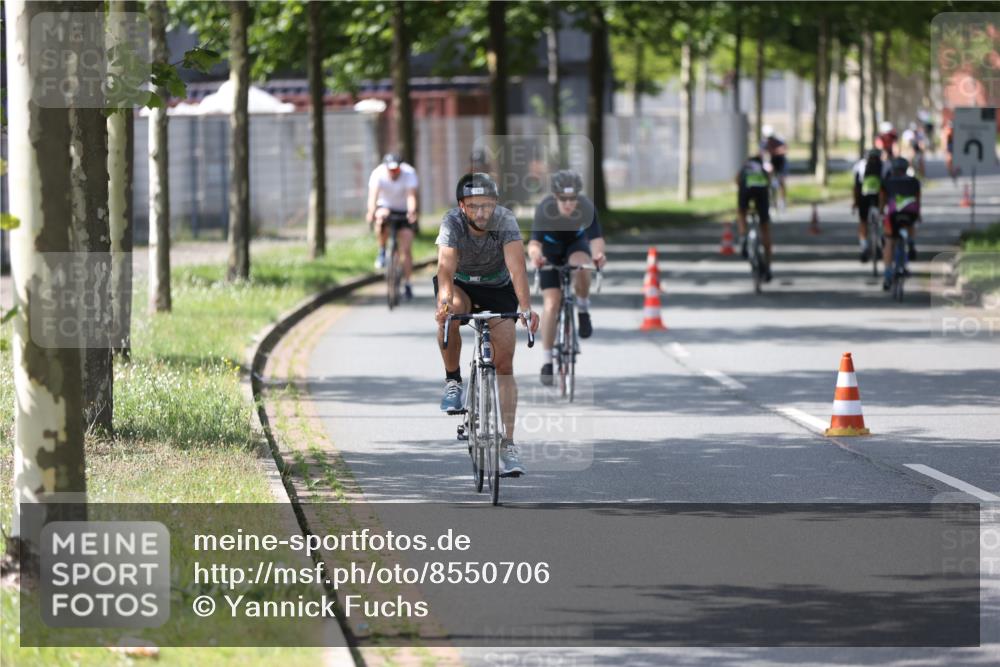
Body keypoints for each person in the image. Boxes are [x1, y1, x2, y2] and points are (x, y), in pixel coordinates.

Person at [434, 173, 539, 477]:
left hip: (498, 288)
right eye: (473, 206)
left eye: (487, 205)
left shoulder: (505, 221)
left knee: (504, 363)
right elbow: (445, 269)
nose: (481, 213)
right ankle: (453, 381)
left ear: (496, 203)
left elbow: (517, 269)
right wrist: (444, 303)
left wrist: (526, 308)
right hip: (461, 286)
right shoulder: (452, 222)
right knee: (450, 314)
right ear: (462, 206)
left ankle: (508, 444)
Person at [526, 170, 607, 386]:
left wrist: (598, 255)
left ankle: (583, 308)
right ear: (555, 196)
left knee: (582, 264)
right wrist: (536, 256)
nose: (569, 203)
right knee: (552, 303)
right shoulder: (545, 209)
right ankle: (547, 361)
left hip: (575, 245)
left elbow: (596, 239)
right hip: (550, 250)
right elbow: (534, 243)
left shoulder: (586, 207)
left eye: (573, 198)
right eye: (564, 199)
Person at [367, 153, 419, 300]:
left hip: (403, 210)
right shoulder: (378, 174)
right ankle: (382, 250)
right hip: (386, 207)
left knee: (406, 249)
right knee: (380, 219)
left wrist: (412, 212)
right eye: (390, 170)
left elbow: (411, 196)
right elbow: (373, 196)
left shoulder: (409, 173)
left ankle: (408, 284)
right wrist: (371, 212)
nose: (393, 172)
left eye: (396, 170)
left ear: (400, 168)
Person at [879, 157, 921, 290]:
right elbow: (917, 199)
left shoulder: (887, 181)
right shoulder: (914, 181)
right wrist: (918, 214)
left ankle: (887, 274)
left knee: (889, 240)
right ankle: (911, 243)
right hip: (910, 213)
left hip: (893, 215)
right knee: (910, 223)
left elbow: (882, 199)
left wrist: (881, 211)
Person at [735, 151, 773, 281]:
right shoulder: (762, 168)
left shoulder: (745, 167)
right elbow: (769, 181)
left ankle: (743, 237)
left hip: (746, 188)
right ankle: (767, 267)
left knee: (741, 212)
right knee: (764, 227)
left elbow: (737, 180)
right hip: (761, 191)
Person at [852, 149, 885, 262]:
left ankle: (864, 247)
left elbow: (856, 186)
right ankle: (880, 242)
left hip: (864, 196)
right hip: (879, 197)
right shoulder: (885, 165)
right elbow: (888, 185)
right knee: (882, 218)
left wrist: (855, 202)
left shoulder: (859, 165)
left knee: (863, 221)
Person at [760, 125, 788, 208]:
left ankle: (782, 201)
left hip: (780, 162)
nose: (769, 139)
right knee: (768, 181)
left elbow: (784, 149)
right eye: (768, 138)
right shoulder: (763, 142)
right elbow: (762, 153)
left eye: (770, 137)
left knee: (781, 181)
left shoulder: (779, 140)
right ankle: (771, 200)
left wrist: (774, 151)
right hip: (770, 163)